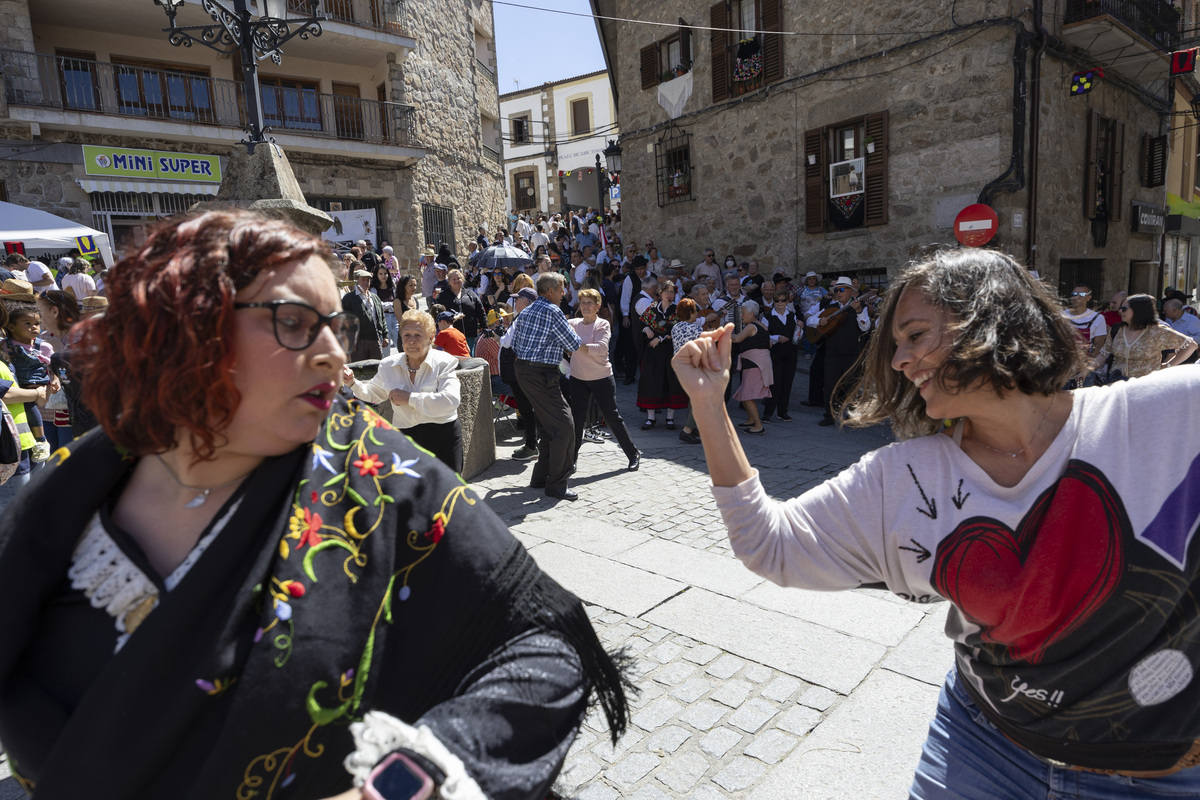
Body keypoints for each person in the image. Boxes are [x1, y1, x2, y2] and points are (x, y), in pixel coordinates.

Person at [0, 210, 628, 799]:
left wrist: (402, 782)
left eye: (336, 326)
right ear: (189, 328)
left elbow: (547, 644)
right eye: (295, 323)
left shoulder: (378, 474)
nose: (331, 352)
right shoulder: (65, 494)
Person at [672, 247, 1200, 798]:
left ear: (992, 317)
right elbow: (769, 544)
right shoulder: (904, 476)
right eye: (894, 345)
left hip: (1162, 777)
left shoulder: (1162, 415)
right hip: (981, 750)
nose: (900, 360)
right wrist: (709, 404)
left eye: (916, 335)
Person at [346, 309, 464, 472]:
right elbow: (373, 394)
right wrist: (352, 383)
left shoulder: (444, 362)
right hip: (405, 437)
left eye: (418, 335)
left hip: (442, 437)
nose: (411, 341)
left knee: (448, 494)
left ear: (431, 338)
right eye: (406, 335)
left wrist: (409, 398)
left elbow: (450, 401)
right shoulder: (388, 365)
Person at [510, 273, 582, 501]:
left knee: (550, 425)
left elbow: (515, 343)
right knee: (564, 426)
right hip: (541, 374)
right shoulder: (553, 311)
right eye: (561, 290)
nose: (564, 294)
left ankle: (540, 477)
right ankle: (557, 484)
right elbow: (573, 344)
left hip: (524, 371)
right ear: (550, 291)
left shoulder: (527, 310)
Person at [567, 289, 640, 471]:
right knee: (577, 419)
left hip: (601, 378)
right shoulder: (573, 323)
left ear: (598, 306)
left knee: (612, 417)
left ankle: (633, 454)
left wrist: (575, 344)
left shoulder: (603, 324)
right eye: (582, 303)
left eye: (589, 303)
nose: (585, 306)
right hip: (578, 378)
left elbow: (600, 348)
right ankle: (572, 460)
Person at [808, 276, 870, 426]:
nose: (838, 292)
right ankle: (829, 415)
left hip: (852, 353)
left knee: (851, 385)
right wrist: (819, 321)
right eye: (837, 290)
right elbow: (810, 320)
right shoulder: (830, 307)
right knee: (830, 384)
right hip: (832, 353)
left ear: (850, 291)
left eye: (842, 289)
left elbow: (865, 327)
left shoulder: (860, 306)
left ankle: (851, 416)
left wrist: (860, 311)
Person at [1090, 294, 1197, 380]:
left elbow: (1191, 345)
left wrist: (1168, 365)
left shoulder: (1158, 331)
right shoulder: (1117, 329)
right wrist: (1086, 369)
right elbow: (1103, 355)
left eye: (1124, 308)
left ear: (1138, 311)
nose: (1120, 311)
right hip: (1117, 384)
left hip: (1145, 387)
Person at [1, 288, 53, 461]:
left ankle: (41, 440)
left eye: (37, 324)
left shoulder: (42, 345)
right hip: (20, 388)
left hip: (35, 384)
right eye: (28, 324)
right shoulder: (5, 346)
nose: (34, 328)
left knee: (31, 409)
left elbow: (53, 366)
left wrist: (54, 381)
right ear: (10, 325)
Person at [636, 278, 687, 429]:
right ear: (661, 292)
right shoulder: (652, 308)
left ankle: (669, 418)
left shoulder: (677, 311)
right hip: (652, 352)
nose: (669, 295)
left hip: (669, 351)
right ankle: (650, 418)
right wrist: (646, 329)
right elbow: (642, 323)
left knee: (669, 382)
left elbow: (679, 331)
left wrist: (661, 338)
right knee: (651, 382)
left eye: (672, 292)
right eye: (667, 292)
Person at [728, 300, 772, 435]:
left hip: (754, 364)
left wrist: (721, 333)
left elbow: (737, 339)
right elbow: (769, 345)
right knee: (743, 392)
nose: (741, 316)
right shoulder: (762, 326)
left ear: (751, 313)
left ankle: (758, 425)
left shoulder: (751, 327)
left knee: (746, 395)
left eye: (743, 313)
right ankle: (751, 419)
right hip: (757, 363)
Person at [671, 298, 705, 444]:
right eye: (695, 312)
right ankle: (687, 430)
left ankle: (693, 427)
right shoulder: (696, 329)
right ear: (691, 313)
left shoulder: (675, 328)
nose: (696, 315)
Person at [762, 291, 799, 422]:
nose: (780, 304)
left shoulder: (792, 315)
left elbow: (796, 334)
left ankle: (783, 412)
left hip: (790, 353)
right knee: (774, 383)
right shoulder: (767, 317)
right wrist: (777, 337)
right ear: (774, 302)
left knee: (787, 383)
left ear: (786, 302)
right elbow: (763, 336)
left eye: (783, 301)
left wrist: (800, 328)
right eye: (777, 301)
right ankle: (767, 413)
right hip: (775, 354)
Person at [341, 267, 389, 361]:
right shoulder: (349, 299)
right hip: (359, 341)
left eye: (368, 280)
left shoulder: (374, 297)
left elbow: (381, 317)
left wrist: (385, 335)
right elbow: (345, 321)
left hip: (375, 339)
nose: (366, 282)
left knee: (376, 368)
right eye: (363, 280)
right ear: (357, 281)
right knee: (360, 369)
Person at [435, 268, 486, 354]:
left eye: (458, 278)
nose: (456, 281)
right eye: (453, 279)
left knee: (469, 358)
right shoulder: (443, 296)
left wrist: (484, 326)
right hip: (452, 336)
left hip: (469, 334)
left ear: (462, 279)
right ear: (449, 281)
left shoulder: (470, 294)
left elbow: (480, 310)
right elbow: (437, 314)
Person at [1062, 284, 1107, 369]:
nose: (1077, 297)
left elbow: (1099, 345)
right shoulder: (1062, 315)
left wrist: (1086, 366)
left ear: (1089, 297)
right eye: (1074, 294)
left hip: (1083, 365)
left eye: (1082, 295)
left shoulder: (1097, 318)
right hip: (1064, 364)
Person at [370, 263, 399, 354]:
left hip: (395, 318)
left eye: (385, 273)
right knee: (386, 351)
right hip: (383, 320)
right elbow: (378, 305)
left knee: (401, 346)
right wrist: (391, 305)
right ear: (376, 275)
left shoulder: (392, 286)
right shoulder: (374, 289)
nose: (383, 276)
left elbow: (397, 302)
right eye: (380, 274)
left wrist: (392, 305)